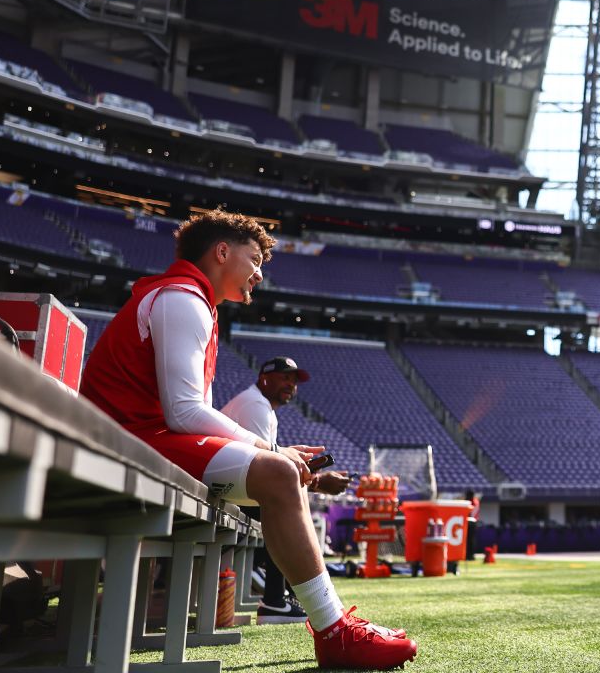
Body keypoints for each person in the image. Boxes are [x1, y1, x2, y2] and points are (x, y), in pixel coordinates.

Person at [80, 210, 416, 670]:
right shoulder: (182, 298)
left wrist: (275, 455)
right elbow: (184, 413)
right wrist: (272, 452)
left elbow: (185, 414)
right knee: (278, 473)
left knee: (281, 473)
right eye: (254, 259)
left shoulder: (188, 299)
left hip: (136, 437)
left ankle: (330, 625)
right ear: (222, 252)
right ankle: (333, 630)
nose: (259, 273)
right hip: (128, 441)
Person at [221, 356, 350, 625]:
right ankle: (275, 601)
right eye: (284, 377)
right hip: (221, 487)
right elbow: (265, 470)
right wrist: (317, 483)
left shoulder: (260, 405)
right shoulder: (255, 405)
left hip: (226, 484)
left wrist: (313, 480)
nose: (291, 385)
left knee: (285, 497)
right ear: (264, 378)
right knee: (281, 503)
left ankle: (285, 596)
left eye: (293, 380)